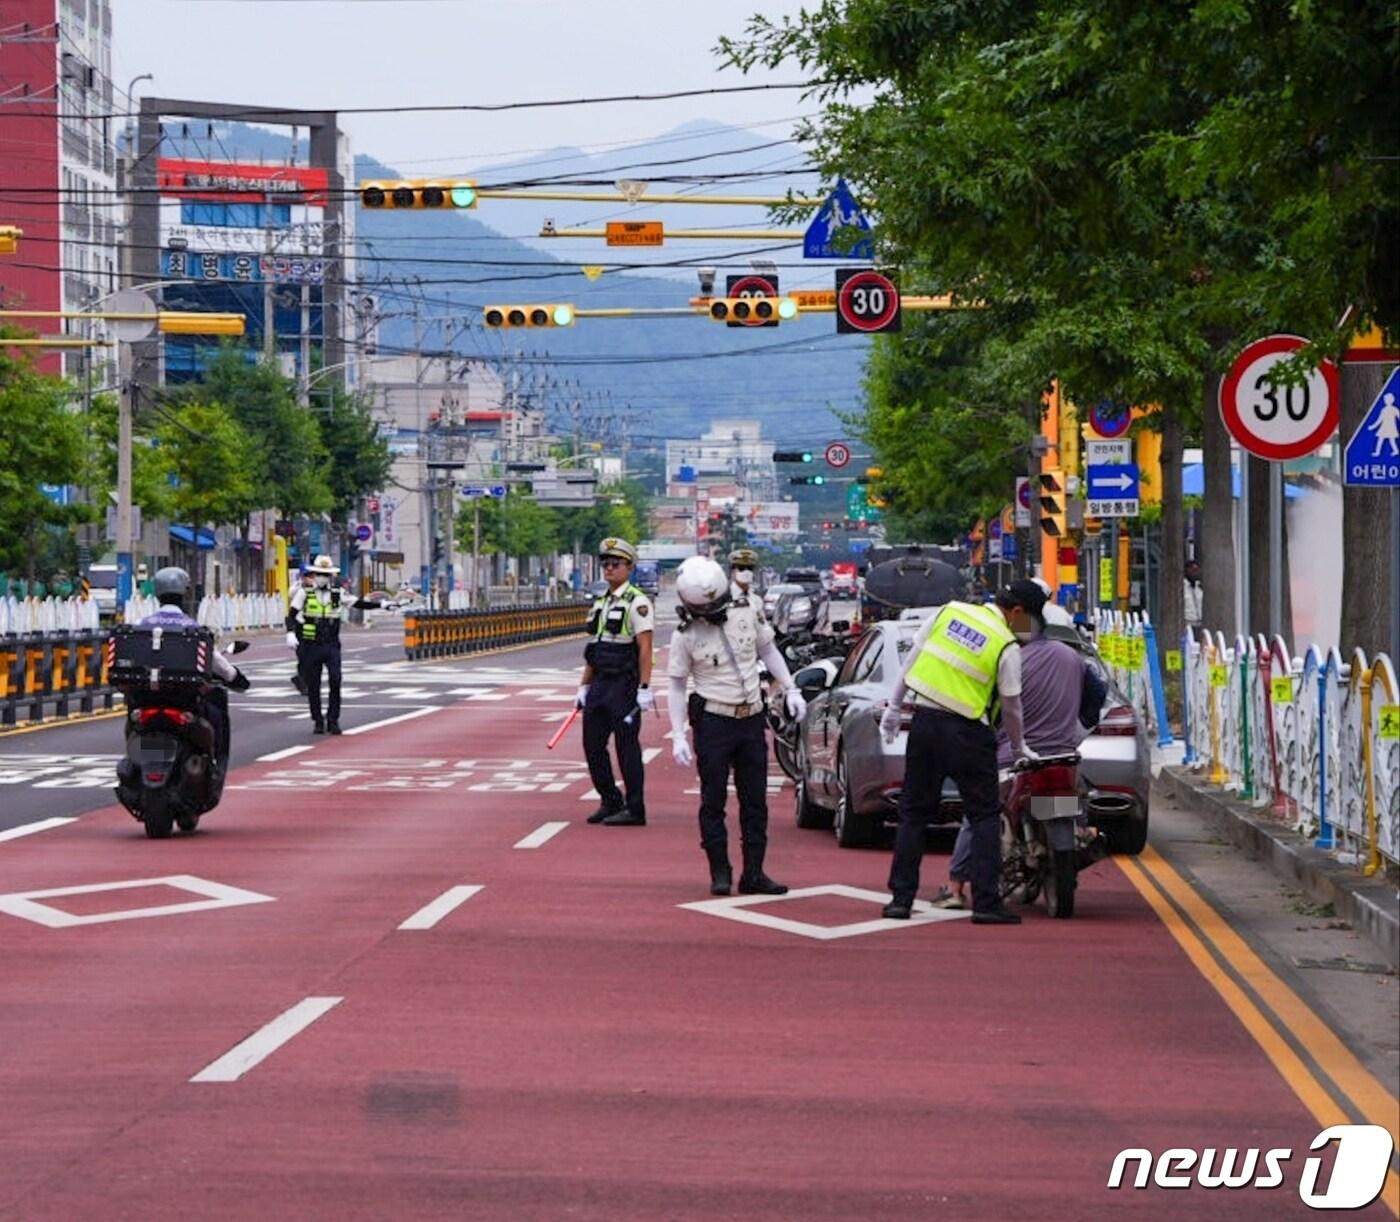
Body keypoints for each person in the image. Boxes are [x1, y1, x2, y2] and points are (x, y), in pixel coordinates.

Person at [930, 583, 1105, 910]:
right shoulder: (1073, 658)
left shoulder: (1007, 658)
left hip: (1013, 760)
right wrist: (1079, 729)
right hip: (1061, 757)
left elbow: (988, 708)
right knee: (1078, 796)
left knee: (978, 814)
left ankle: (955, 887)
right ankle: (1083, 831)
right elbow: (1097, 695)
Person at [878, 580, 1038, 925]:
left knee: (913, 814)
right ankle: (985, 903)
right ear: (1017, 612)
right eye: (1029, 620)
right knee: (983, 816)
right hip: (969, 731)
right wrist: (1019, 745)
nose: (1029, 629)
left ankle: (900, 900)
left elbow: (911, 661)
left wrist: (895, 706)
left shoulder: (949, 612)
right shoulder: (1006, 644)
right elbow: (1012, 708)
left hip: (925, 723)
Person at [668, 555, 806, 896]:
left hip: (750, 717)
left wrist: (791, 688)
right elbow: (676, 685)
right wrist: (678, 734)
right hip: (714, 720)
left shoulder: (746, 610)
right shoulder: (684, 635)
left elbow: (768, 650)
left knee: (755, 801)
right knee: (713, 800)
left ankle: (754, 872)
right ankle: (721, 872)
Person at [134, 566, 248, 775]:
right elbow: (216, 663)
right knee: (215, 715)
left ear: (157, 594)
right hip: (183, 701)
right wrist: (235, 677)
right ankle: (213, 766)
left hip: (145, 700)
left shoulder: (141, 625)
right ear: (185, 594)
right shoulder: (192, 629)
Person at [577, 537, 654, 827]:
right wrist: (584, 686)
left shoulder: (638, 602)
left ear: (629, 567)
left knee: (626, 746)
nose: (609, 569)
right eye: (605, 564)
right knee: (592, 745)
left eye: (615, 564)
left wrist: (644, 688)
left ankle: (635, 807)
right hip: (600, 682)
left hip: (624, 684)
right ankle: (610, 799)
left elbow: (645, 648)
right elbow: (594, 648)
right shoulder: (601, 602)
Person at [286, 554, 382, 735]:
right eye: (320, 573)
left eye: (326, 574)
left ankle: (333, 719)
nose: (323, 577)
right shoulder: (304, 593)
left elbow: (358, 603)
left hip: (331, 644)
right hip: (311, 644)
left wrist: (382, 605)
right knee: (313, 684)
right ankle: (317, 720)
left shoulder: (338, 593)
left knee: (336, 680)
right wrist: (290, 633)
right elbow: (291, 615)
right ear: (314, 574)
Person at [1183, 560, 1203, 630]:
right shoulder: (1182, 588)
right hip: (1187, 624)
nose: (1195, 573)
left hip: (1199, 623)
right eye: (1193, 570)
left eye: (1197, 570)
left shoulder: (1199, 588)